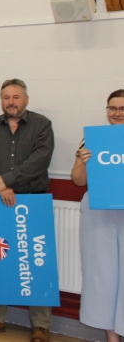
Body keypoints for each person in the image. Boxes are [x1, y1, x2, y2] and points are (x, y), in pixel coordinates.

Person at [0, 79, 54, 342]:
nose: (11, 102)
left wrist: (6, 180)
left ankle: (41, 325)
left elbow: (40, 160)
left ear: (26, 100)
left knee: (37, 261)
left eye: (16, 97)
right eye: (6, 97)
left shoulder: (42, 125)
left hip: (33, 202)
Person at [71, 89, 124, 342]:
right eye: (112, 108)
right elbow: (78, 180)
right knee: (102, 276)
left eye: (122, 108)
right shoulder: (92, 140)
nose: (117, 113)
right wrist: (82, 161)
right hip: (100, 213)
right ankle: (112, 338)